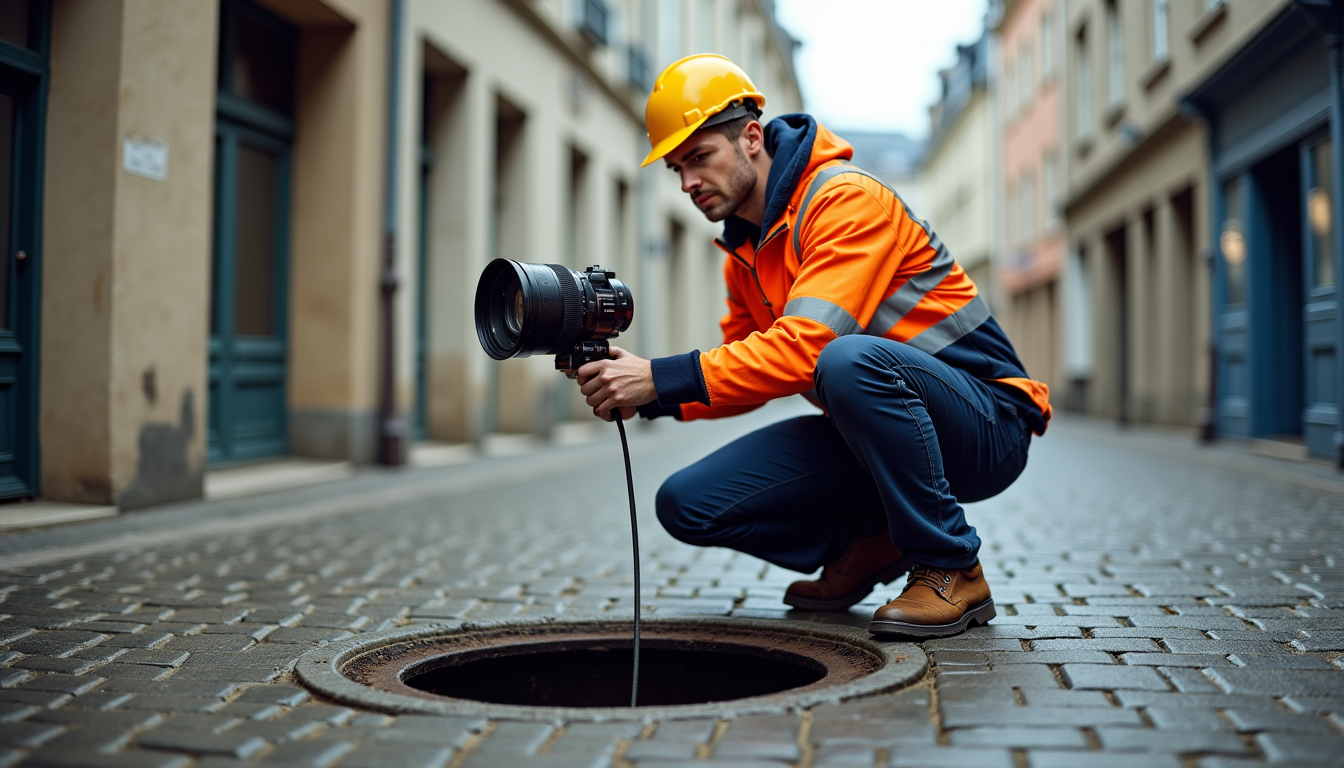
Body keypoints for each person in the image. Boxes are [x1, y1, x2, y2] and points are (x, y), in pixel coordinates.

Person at [575, 54, 1050, 639]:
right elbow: (744, 373)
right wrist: (647, 396)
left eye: (699, 158)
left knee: (846, 359)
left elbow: (807, 349)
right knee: (685, 502)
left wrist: (660, 375)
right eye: (676, 168)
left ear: (752, 138)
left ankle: (951, 565)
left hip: (987, 427)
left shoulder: (846, 201)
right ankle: (872, 541)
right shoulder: (745, 255)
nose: (688, 182)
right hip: (875, 435)